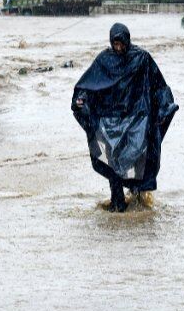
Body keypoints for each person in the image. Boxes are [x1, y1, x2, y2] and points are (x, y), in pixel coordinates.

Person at [72, 23, 178, 212]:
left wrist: (164, 106)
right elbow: (89, 84)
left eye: (122, 44)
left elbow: (158, 85)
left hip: (137, 119)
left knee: (139, 157)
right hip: (111, 121)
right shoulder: (104, 60)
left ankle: (138, 199)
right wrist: (81, 99)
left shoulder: (141, 58)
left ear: (127, 41)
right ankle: (117, 202)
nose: (119, 48)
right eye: (115, 44)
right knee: (113, 161)